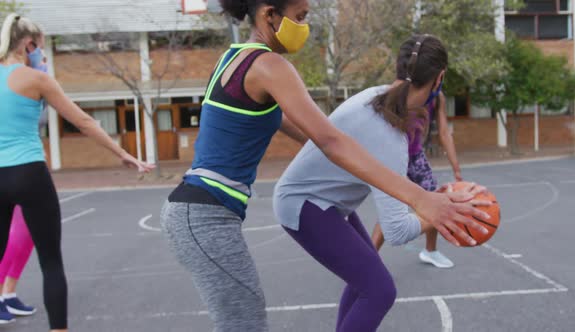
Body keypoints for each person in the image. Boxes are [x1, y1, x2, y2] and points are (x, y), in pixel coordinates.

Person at [160, 1, 489, 331]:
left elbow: (297, 127)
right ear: (269, 14)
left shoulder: (235, 57)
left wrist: (341, 161)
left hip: (197, 209)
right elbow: (330, 141)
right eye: (300, 17)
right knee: (244, 322)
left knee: (360, 286)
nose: (306, 26)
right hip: (204, 215)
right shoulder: (270, 66)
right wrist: (423, 200)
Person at [273, 34, 490, 331]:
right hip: (305, 204)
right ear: (439, 78)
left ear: (399, 69)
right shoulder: (390, 137)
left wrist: (433, 202)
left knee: (366, 279)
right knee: (380, 291)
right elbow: (397, 230)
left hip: (322, 202)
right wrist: (447, 213)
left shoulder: (373, 97)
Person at [0, 13, 153, 331]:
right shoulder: (35, 79)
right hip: (29, 171)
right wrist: (123, 154)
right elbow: (83, 121)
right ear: (28, 44)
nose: (41, 57)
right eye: (40, 49)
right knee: (50, 262)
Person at [371, 91, 463, 268]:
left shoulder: (437, 97)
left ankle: (430, 251)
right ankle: (369, 261)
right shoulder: (401, 92)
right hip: (394, 155)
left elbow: (444, 132)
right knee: (391, 208)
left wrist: (456, 169)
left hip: (415, 155)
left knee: (434, 199)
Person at [0, 42, 50, 324]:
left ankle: (8, 293)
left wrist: (41, 68)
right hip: (7, 167)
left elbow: (41, 117)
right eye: (35, 46)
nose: (39, 53)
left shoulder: (31, 79)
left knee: (26, 234)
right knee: (11, 236)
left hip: (28, 165)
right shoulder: (9, 80)